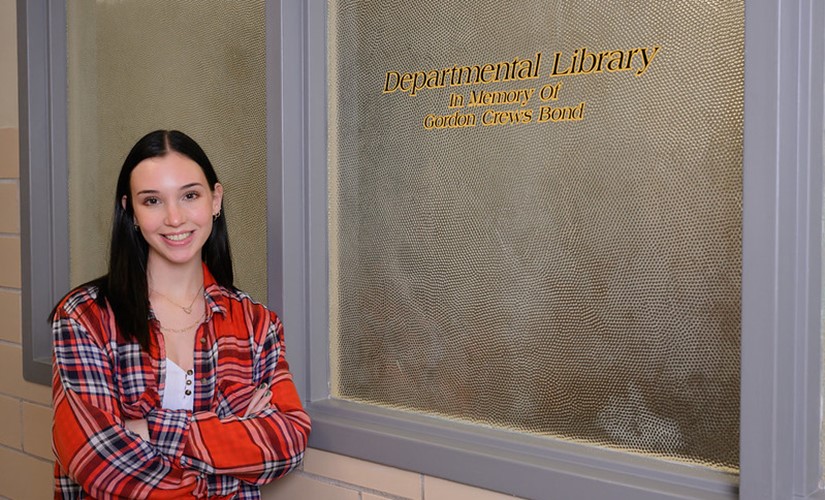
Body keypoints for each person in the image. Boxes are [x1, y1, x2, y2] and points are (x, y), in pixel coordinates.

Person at [51, 130, 310, 499]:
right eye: (153, 200)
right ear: (131, 211)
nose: (174, 218)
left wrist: (148, 430)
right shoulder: (85, 317)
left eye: (190, 195)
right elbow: (93, 458)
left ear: (215, 200)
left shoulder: (256, 324)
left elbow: (288, 441)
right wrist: (229, 435)